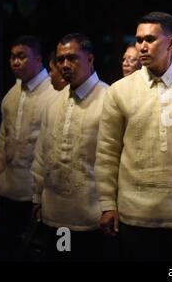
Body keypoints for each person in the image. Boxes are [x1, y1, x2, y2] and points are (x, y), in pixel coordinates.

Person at [94, 11, 172, 262]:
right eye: (139, 40)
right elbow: (107, 152)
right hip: (135, 214)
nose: (142, 46)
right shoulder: (120, 91)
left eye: (150, 39)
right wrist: (108, 204)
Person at [31, 33, 108, 261]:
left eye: (72, 58)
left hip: (93, 217)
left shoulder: (109, 98)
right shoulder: (53, 101)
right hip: (54, 213)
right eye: (60, 59)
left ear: (90, 59)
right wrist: (36, 197)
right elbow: (41, 155)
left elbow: (116, 160)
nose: (65, 64)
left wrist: (111, 208)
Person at [0, 35, 57, 261]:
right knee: (6, 250)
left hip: (36, 193)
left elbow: (51, 149)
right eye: (12, 57)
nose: (15, 62)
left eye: (21, 57)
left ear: (38, 60)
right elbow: (3, 140)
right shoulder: (11, 94)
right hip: (8, 189)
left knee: (33, 253)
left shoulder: (53, 93)